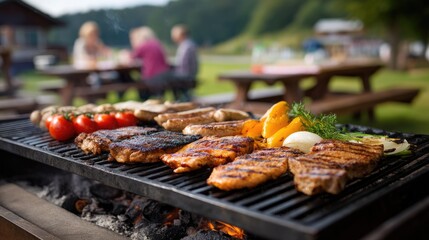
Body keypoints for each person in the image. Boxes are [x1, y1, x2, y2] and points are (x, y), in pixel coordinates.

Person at [130, 27, 170, 100]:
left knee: (139, 84)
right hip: (164, 75)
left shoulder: (144, 45)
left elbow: (132, 57)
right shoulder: (158, 43)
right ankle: (158, 97)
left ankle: (144, 100)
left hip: (151, 76)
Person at [170, 24, 198, 102]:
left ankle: (177, 100)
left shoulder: (186, 46)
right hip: (189, 74)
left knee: (164, 78)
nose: (173, 37)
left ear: (180, 35)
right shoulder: (189, 44)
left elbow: (181, 63)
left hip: (186, 75)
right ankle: (180, 99)